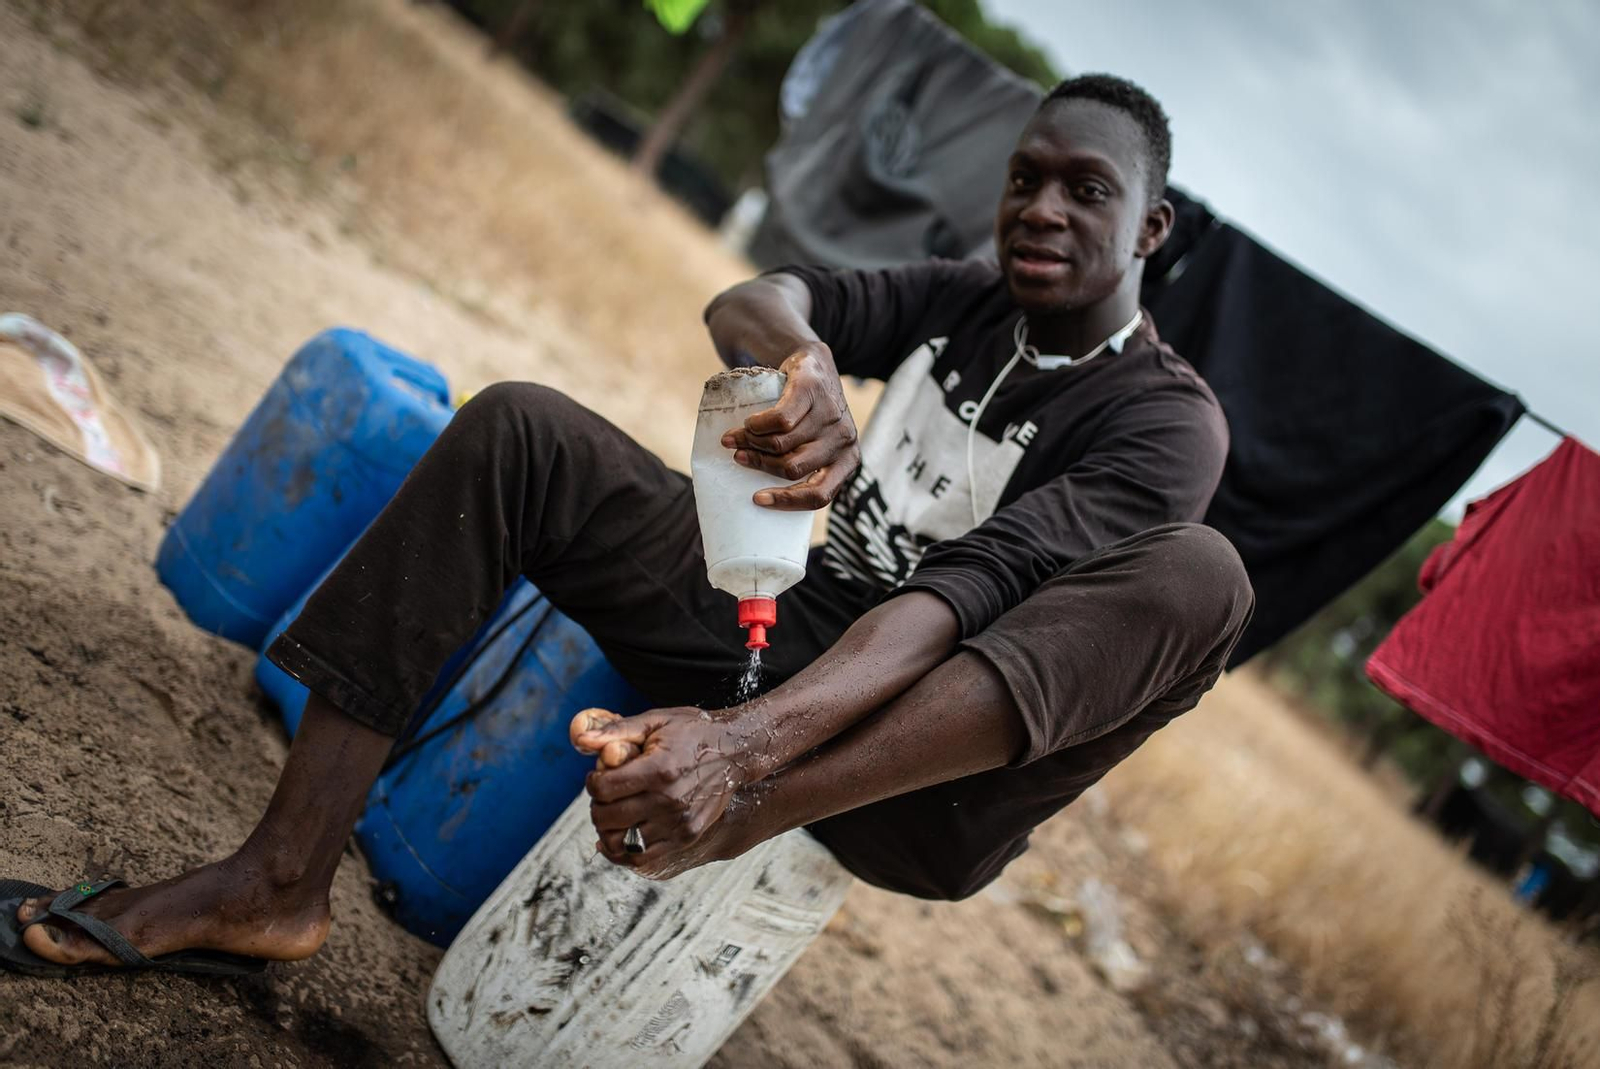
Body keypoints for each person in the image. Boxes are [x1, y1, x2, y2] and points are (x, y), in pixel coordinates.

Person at [6, 73, 1251, 972]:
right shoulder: (967, 300)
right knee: (522, 429)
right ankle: (275, 881)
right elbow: (748, 298)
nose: (1041, 207)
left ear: (1150, 228)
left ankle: (739, 803)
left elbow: (965, 598)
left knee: (1207, 575)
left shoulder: (1162, 420)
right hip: (801, 638)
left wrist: (741, 750)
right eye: (1025, 178)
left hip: (923, 771)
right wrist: (806, 362)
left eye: (1087, 190)